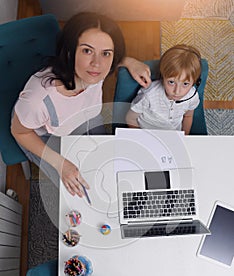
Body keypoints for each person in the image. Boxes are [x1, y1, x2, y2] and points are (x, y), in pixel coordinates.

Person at [11, 12, 151, 197]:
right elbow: (19, 131)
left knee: (111, 166)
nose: (97, 64)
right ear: (69, 51)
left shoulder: (93, 71)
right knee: (82, 190)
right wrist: (61, 164)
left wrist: (129, 62)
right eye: (87, 51)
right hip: (46, 134)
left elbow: (105, 62)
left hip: (87, 116)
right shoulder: (37, 100)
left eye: (106, 54)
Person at [126, 44, 201, 135]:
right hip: (147, 135)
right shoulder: (148, 95)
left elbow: (188, 116)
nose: (177, 91)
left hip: (173, 136)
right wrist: (140, 138)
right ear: (163, 76)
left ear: (195, 82)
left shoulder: (192, 96)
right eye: (171, 82)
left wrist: (185, 137)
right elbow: (130, 119)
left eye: (185, 84)